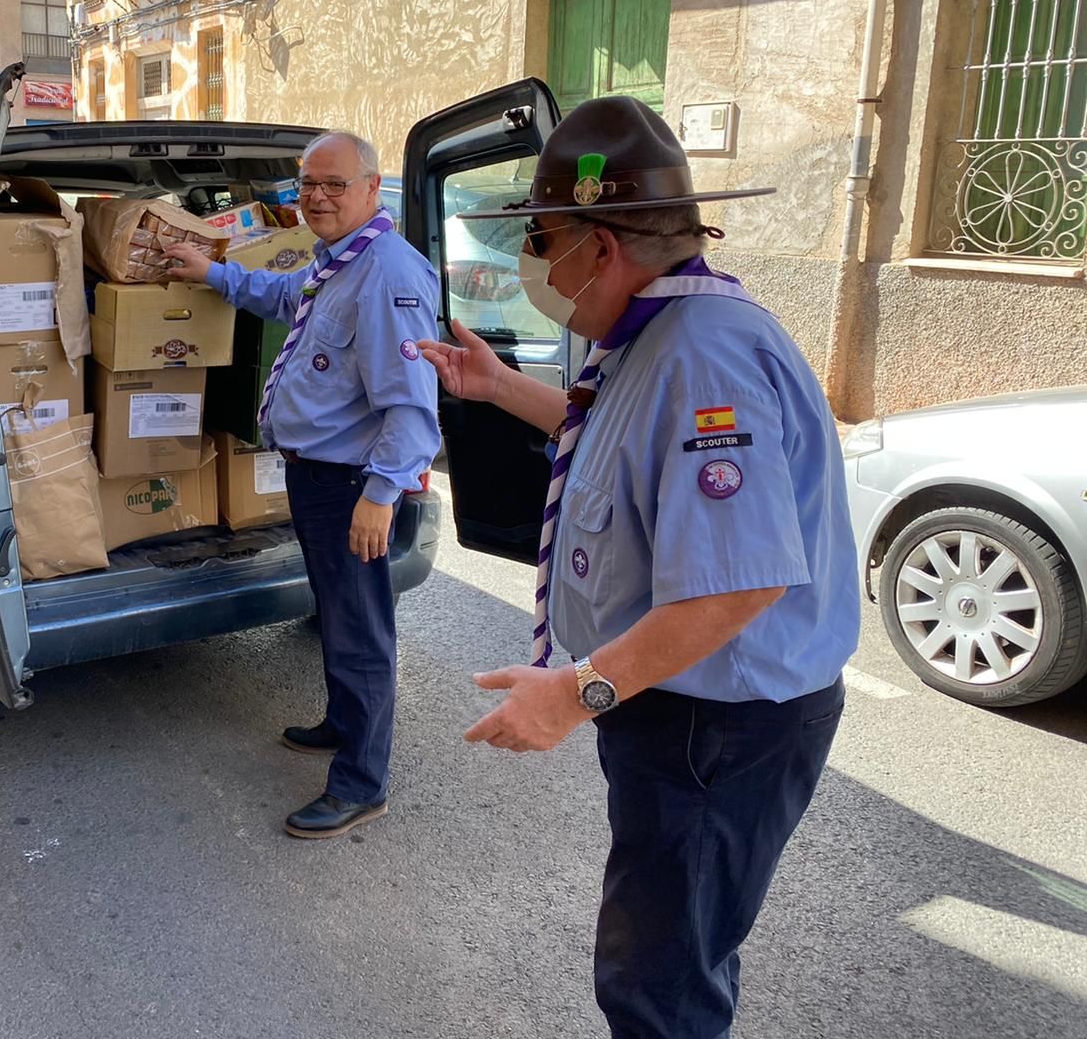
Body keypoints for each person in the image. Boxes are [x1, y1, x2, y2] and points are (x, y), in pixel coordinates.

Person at [420, 96, 856, 1038]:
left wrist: (574, 694)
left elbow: (742, 581)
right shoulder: (656, 337)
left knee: (659, 984)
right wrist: (499, 388)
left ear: (601, 248)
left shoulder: (704, 359)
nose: (532, 261)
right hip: (684, 710)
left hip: (717, 728)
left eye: (540, 238)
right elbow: (609, 443)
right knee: (665, 956)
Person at [166, 132, 440, 839]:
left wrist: (379, 497)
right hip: (318, 477)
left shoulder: (388, 275)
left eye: (334, 185)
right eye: (306, 184)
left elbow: (411, 407)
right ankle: (343, 724)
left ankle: (361, 783)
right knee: (339, 614)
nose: (316, 196)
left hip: (353, 484)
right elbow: (287, 298)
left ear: (373, 188)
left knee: (361, 631)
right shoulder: (335, 265)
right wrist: (213, 272)